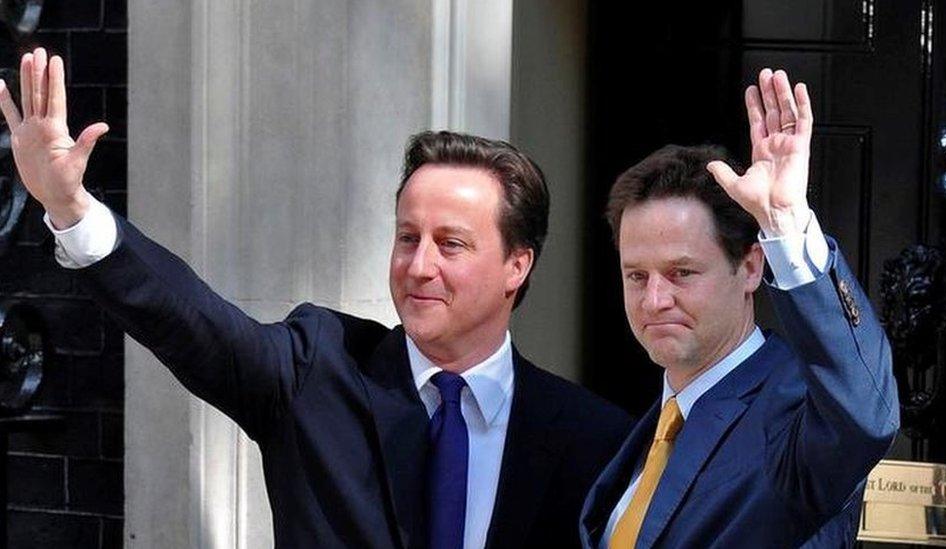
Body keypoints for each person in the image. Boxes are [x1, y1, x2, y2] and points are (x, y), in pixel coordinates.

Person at [2, 47, 633, 549]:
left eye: (452, 244)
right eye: (407, 237)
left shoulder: (592, 438)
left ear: (516, 265)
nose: (419, 266)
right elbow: (188, 319)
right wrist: (71, 208)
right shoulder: (316, 369)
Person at [579, 69, 899, 548]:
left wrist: (784, 222)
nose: (654, 300)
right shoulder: (642, 434)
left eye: (682, 273)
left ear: (751, 268)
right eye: (636, 276)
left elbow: (865, 416)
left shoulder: (793, 406)